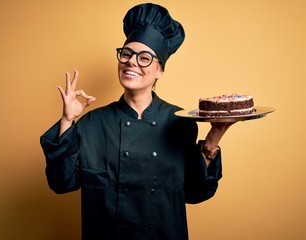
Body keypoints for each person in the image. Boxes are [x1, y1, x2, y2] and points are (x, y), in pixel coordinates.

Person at [40, 3, 234, 240]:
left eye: (144, 58)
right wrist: (67, 120)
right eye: (126, 54)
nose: (131, 62)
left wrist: (215, 135)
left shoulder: (180, 122)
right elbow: (61, 182)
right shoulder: (92, 122)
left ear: (160, 70)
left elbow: (196, 192)